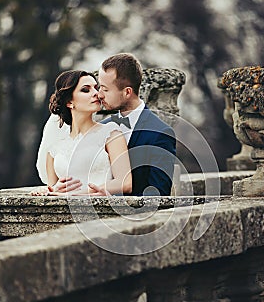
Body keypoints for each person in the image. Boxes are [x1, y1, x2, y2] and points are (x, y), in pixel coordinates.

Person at [32, 70, 132, 196]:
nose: (97, 94)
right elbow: (53, 189)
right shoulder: (55, 146)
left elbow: (126, 183)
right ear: (69, 102)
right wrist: (48, 190)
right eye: (86, 90)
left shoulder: (111, 134)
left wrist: (77, 194)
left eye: (96, 88)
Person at [98, 53, 176, 196]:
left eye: (105, 89)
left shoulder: (160, 133)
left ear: (127, 92)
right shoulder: (102, 127)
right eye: (100, 87)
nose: (99, 95)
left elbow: (159, 194)